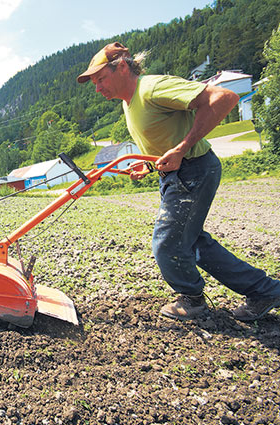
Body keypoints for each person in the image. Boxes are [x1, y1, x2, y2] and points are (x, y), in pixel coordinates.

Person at [77, 42, 280, 321]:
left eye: (101, 79)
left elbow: (224, 97)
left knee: (168, 244)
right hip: (178, 175)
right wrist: (149, 165)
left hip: (193, 171)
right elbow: (167, 138)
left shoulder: (152, 88)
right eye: (95, 83)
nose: (98, 88)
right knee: (192, 243)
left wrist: (183, 149)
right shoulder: (129, 102)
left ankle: (192, 300)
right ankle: (264, 291)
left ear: (122, 67)